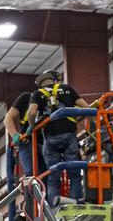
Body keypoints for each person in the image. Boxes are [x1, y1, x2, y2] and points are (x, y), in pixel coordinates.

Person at [27, 70, 88, 206]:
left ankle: (53, 212)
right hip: (69, 136)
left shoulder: (37, 94)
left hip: (50, 138)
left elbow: (31, 112)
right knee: (75, 177)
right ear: (54, 81)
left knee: (53, 178)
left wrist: (32, 126)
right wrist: (75, 119)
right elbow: (86, 108)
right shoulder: (67, 89)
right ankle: (75, 208)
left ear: (39, 84)